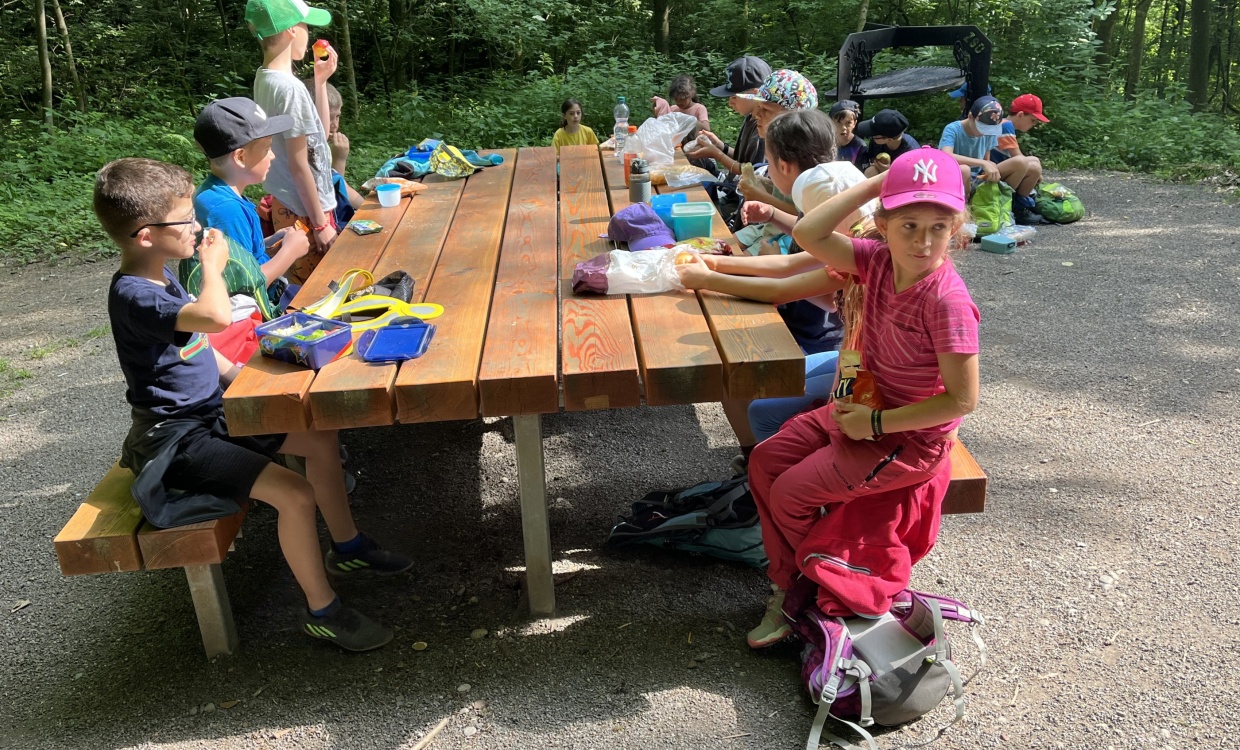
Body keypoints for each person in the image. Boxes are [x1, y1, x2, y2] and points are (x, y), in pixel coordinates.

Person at [94, 158, 413, 652]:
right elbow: (214, 318)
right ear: (146, 236)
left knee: (319, 438)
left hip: (211, 415)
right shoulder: (135, 294)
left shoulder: (160, 278)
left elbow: (202, 348)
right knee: (294, 494)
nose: (197, 226)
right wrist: (213, 267)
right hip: (176, 441)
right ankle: (323, 611)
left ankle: (348, 547)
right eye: (185, 220)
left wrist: (252, 384)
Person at [744, 147, 980, 648]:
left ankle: (807, 588)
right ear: (884, 224)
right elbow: (808, 234)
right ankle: (798, 580)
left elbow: (962, 401)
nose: (923, 241)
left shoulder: (947, 302)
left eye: (938, 227)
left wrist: (874, 426)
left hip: (906, 439)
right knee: (764, 462)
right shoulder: (876, 261)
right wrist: (880, 182)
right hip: (859, 406)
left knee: (789, 495)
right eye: (908, 225)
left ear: (955, 229)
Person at [678, 109, 875, 473]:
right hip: (851, 354)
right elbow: (787, 266)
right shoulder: (854, 245)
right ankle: (767, 471)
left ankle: (768, 476)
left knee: (761, 407)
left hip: (859, 366)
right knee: (736, 371)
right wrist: (713, 264)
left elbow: (780, 289)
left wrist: (707, 278)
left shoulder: (856, 263)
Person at [246, 0, 339, 286]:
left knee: (307, 286)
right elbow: (300, 166)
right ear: (291, 30)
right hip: (306, 211)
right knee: (319, 290)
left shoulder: (266, 78)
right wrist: (320, 224)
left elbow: (318, 137)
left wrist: (320, 83)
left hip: (293, 206)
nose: (308, 33)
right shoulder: (289, 89)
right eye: (305, 25)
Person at [190, 97, 309, 313]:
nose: (272, 156)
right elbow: (244, 288)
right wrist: (290, 252)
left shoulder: (216, 193)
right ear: (241, 157)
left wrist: (268, 242)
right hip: (254, 316)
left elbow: (238, 256)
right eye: (267, 149)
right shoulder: (225, 209)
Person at [939, 95, 1044, 224]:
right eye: (982, 128)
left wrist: (990, 166)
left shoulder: (989, 132)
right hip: (959, 179)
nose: (983, 133)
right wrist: (982, 163)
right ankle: (965, 211)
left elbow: (986, 158)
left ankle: (1002, 205)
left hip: (978, 178)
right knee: (965, 169)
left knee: (1025, 162)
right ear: (971, 116)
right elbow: (946, 155)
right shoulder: (953, 129)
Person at [690, 56, 771, 214]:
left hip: (742, 203)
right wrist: (720, 146)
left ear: (754, 94)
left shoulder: (762, 129)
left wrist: (718, 155)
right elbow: (744, 160)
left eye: (734, 97)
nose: (730, 102)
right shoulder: (749, 118)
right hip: (732, 192)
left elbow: (751, 173)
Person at [733, 69, 819, 216]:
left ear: (792, 116)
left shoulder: (804, 158)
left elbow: (805, 216)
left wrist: (760, 197)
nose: (756, 115)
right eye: (758, 107)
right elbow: (788, 195)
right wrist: (766, 184)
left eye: (766, 109)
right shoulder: (779, 146)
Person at [303, 80, 364, 228]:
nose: (335, 124)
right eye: (329, 117)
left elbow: (338, 184)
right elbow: (332, 190)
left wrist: (368, 208)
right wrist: (340, 159)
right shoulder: (304, 149)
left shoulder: (319, 145)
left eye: (337, 116)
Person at [856, 108, 919, 176]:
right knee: (871, 171)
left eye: (873, 135)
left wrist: (889, 171)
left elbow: (911, 178)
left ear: (889, 140)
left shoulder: (911, 153)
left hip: (902, 177)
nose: (871, 137)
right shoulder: (876, 142)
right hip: (884, 173)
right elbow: (872, 159)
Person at [827, 100, 867, 171]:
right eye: (838, 122)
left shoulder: (860, 147)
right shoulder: (826, 144)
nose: (843, 127)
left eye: (848, 123)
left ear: (854, 123)